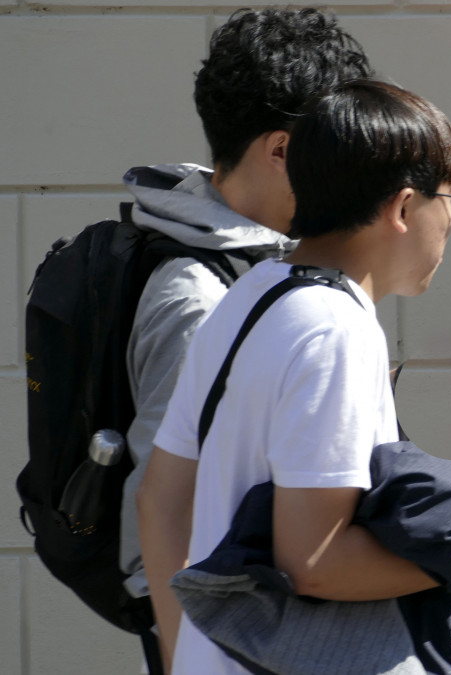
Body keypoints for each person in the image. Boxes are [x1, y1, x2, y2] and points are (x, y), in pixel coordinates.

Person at [138, 80, 451, 675]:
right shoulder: (336, 328)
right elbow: (311, 560)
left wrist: (189, 656)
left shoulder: (250, 295)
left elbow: (160, 499)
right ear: (403, 207)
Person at [118, 7, 373, 669]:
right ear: (283, 150)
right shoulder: (200, 297)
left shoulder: (268, 268)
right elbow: (165, 510)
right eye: (338, 146)